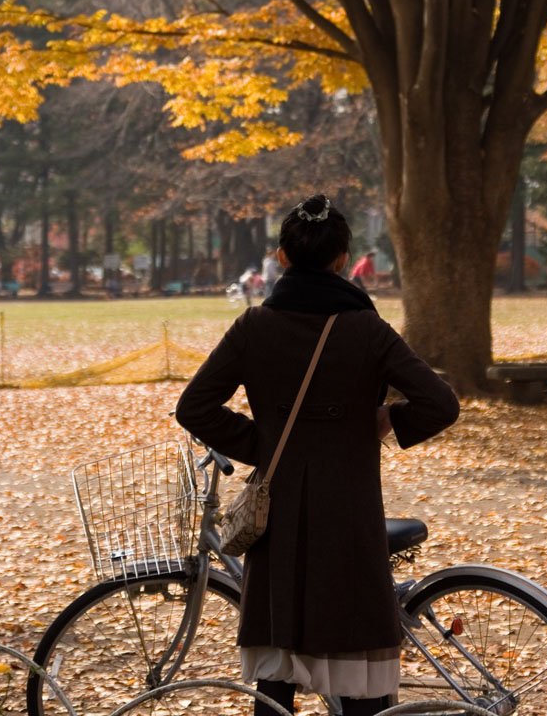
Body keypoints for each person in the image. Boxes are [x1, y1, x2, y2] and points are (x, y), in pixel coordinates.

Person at [176, 194, 459, 716]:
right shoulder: (367, 329)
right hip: (350, 514)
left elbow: (194, 406)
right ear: (342, 261)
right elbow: (440, 403)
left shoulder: (253, 327)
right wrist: (388, 420)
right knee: (360, 676)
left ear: (281, 257)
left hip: (277, 516)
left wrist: (264, 443)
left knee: (275, 673)